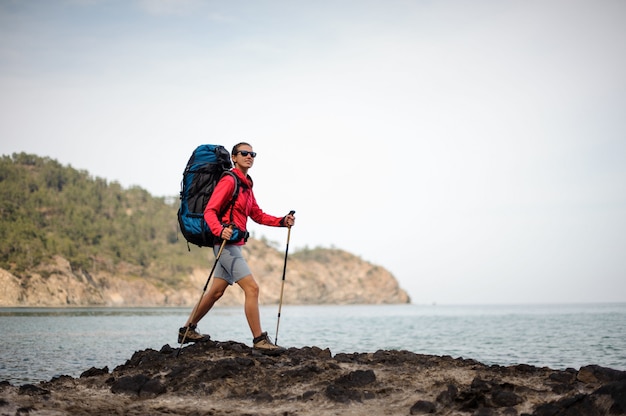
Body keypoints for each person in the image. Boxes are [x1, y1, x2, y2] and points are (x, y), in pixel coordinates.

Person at [178, 142, 295, 353]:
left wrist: (281, 221)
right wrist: (219, 229)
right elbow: (210, 211)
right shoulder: (229, 180)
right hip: (225, 245)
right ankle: (259, 339)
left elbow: (257, 214)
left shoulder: (247, 185)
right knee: (252, 288)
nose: (249, 156)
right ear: (234, 157)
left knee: (215, 292)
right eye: (244, 153)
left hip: (235, 245)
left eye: (252, 154)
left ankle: (187, 330)